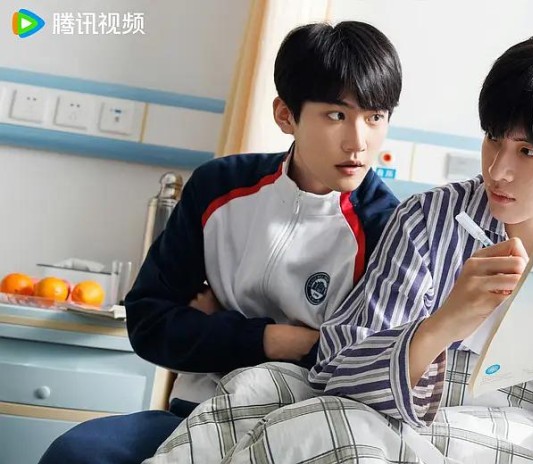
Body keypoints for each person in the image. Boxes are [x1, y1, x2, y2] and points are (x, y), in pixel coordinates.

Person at [147, 32, 533, 463]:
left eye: (529, 151)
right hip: (402, 415)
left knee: (325, 430)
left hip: (527, 435)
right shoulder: (429, 219)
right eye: (493, 138)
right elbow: (339, 368)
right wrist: (444, 323)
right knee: (267, 393)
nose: (498, 169)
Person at [39, 20, 403, 464]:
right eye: (336, 115)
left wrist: (217, 328)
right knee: (76, 452)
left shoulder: (388, 227)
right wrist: (275, 339)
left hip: (301, 431)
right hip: (194, 412)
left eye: (375, 117)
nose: (358, 142)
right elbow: (150, 322)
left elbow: (361, 368)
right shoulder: (218, 187)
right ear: (285, 115)